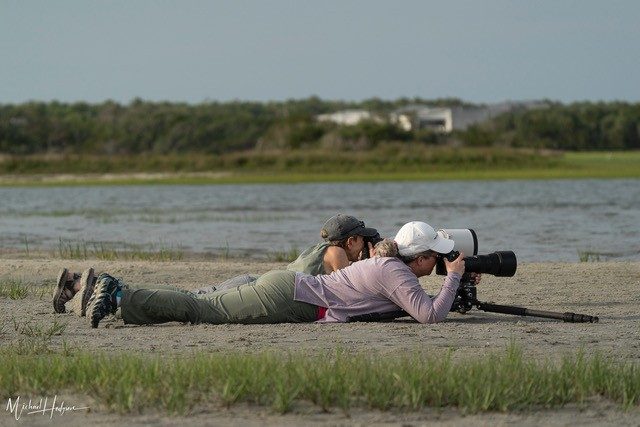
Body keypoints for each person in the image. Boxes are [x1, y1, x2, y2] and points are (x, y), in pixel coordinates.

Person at [86, 221, 467, 328]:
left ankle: (118, 297)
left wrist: (456, 283)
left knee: (202, 301)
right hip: (291, 297)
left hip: (293, 291)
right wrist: (452, 278)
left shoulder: (393, 269)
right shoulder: (392, 271)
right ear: (422, 257)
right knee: (203, 310)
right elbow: (430, 315)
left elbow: (408, 303)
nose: (439, 263)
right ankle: (120, 295)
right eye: (437, 258)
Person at [53, 213, 379, 316]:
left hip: (254, 280)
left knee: (189, 294)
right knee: (192, 303)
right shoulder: (337, 254)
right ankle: (112, 290)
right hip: (259, 288)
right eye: (362, 242)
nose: (363, 249)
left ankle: (81, 283)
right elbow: (348, 289)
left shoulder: (319, 248)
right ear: (350, 240)